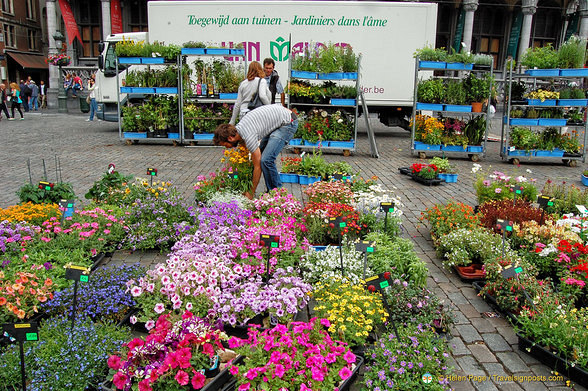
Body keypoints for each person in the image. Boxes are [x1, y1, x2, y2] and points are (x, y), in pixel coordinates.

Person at [214, 104, 298, 198]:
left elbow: (257, 166)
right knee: (260, 158)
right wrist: (230, 176)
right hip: (279, 118)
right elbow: (244, 159)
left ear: (230, 138)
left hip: (288, 123)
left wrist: (251, 192)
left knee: (266, 160)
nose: (227, 148)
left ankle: (277, 194)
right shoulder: (239, 131)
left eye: (225, 145)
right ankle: (271, 192)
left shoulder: (248, 136)